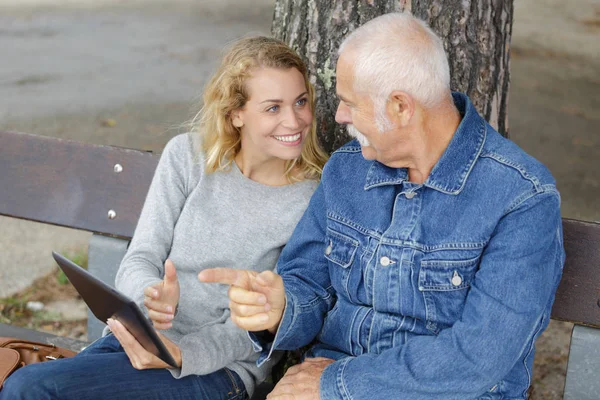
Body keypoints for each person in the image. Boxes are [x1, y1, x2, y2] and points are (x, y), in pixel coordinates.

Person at [199, 13, 565, 400]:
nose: (339, 117)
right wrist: (280, 306)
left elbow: (477, 358)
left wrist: (336, 384)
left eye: (349, 103)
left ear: (401, 107)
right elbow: (308, 284)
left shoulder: (521, 199)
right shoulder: (347, 171)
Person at [0, 36, 328, 400]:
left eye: (300, 102)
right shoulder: (188, 157)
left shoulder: (310, 198)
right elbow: (142, 256)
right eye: (273, 108)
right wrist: (150, 301)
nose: (294, 120)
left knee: (28, 389)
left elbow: (261, 326)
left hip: (217, 372)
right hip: (140, 343)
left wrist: (181, 354)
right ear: (236, 114)